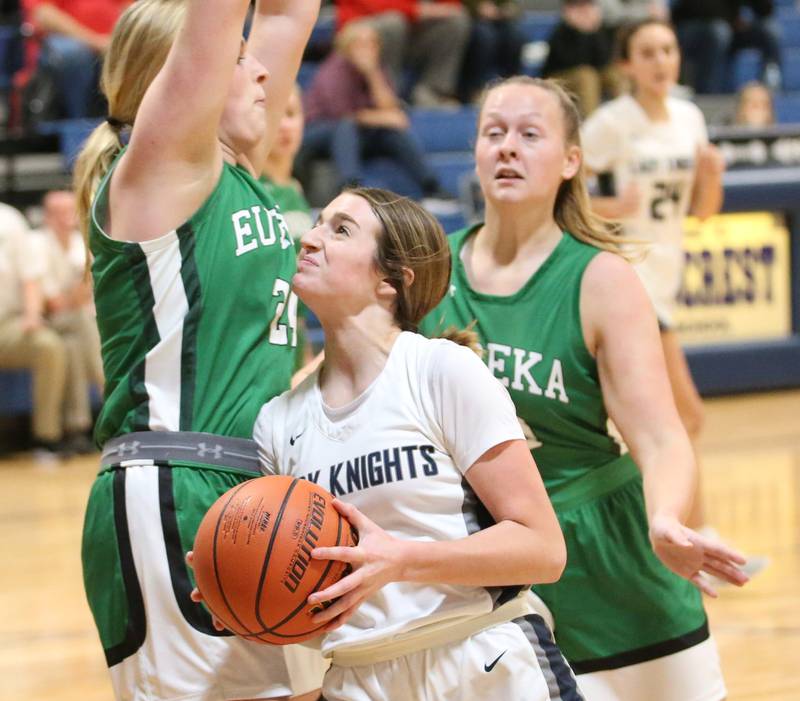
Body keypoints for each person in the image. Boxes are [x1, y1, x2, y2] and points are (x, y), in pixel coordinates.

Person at [419, 76, 748, 700]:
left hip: (610, 565)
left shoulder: (601, 280)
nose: (508, 147)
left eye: (529, 134)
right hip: (492, 572)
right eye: (494, 133)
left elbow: (659, 435)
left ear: (572, 161)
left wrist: (666, 518)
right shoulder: (434, 275)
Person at [238, 186, 582, 701]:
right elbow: (305, 599)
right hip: (357, 675)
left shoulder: (440, 370)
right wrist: (242, 590)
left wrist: (403, 559)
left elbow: (543, 549)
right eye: (316, 224)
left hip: (476, 656)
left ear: (390, 280)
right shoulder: (277, 422)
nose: (309, 240)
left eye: (340, 229)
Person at [73, 0, 326, 699]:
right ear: (183, 80)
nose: (262, 77)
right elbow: (216, 19)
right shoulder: (161, 168)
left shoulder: (232, 170)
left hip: (253, 490)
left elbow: (290, 12)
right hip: (177, 483)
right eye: (240, 60)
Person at [581, 18, 724, 533]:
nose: (661, 61)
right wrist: (612, 205)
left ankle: (677, 534)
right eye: (648, 52)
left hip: (666, 276)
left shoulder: (689, 118)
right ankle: (691, 536)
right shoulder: (611, 123)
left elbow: (703, 212)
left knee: (663, 425)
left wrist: (710, 178)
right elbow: (561, 189)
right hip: (629, 281)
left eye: (668, 49)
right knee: (685, 417)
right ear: (626, 65)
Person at [297, 20, 451, 202]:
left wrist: (372, 74)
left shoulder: (376, 69)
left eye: (372, 43)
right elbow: (343, 115)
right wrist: (385, 118)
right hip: (320, 131)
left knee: (394, 134)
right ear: (347, 46)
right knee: (346, 127)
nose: (368, 49)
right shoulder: (334, 70)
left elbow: (390, 108)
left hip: (359, 133)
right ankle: (351, 186)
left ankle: (431, 185)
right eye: (361, 43)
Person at [33, 189, 103, 454]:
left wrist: (77, 293)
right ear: (47, 217)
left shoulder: (78, 243)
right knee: (85, 324)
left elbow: (84, 296)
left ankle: (77, 429)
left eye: (71, 213)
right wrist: (79, 291)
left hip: (73, 325)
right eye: (61, 213)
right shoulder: (36, 244)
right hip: (44, 320)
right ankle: (108, 391)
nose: (68, 219)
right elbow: (51, 305)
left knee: (73, 344)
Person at [0, 201, 67, 458]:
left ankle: (45, 438)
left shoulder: (9, 219)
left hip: (6, 326)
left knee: (48, 345)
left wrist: (32, 314)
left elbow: (30, 275)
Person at [335, 0, 470, 107]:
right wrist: (419, 10)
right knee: (394, 22)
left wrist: (446, 8)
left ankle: (432, 92)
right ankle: (388, 95)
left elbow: (451, 6)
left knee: (456, 21)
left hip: (407, 32)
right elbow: (379, 6)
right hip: (359, 27)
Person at [20, 0, 131, 118]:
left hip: (111, 41)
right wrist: (95, 42)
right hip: (61, 44)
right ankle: (78, 123)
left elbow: (129, 8)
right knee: (73, 54)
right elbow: (43, 14)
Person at [541, 0, 622, 117]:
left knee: (614, 73)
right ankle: (592, 124)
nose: (585, 11)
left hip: (591, 73)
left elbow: (604, 60)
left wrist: (593, 31)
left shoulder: (600, 30)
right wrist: (579, 31)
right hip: (559, 77)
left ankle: (624, 118)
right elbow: (572, 61)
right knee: (587, 75)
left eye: (588, 6)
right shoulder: (560, 32)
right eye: (579, 7)